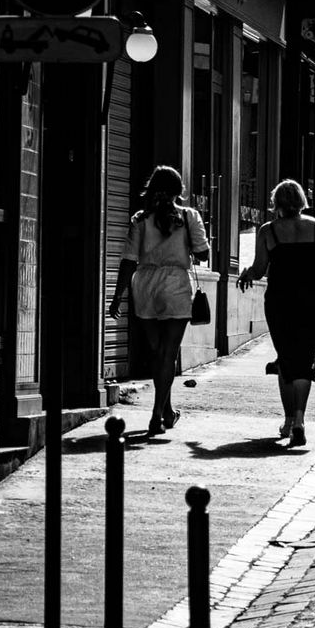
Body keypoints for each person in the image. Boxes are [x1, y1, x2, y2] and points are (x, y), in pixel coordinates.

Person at [236, 180, 315, 448]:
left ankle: (288, 418)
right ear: (302, 200)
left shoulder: (268, 231)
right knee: (305, 359)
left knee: (285, 358)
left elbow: (260, 268)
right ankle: (299, 422)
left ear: (277, 203)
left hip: (281, 302)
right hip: (312, 301)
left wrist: (247, 272)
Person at [109, 166, 211, 437]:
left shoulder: (140, 219)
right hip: (176, 286)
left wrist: (118, 296)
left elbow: (128, 260)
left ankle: (167, 411)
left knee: (158, 354)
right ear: (180, 190)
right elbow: (202, 252)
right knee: (169, 353)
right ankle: (157, 414)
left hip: (145, 286)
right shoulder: (189, 216)